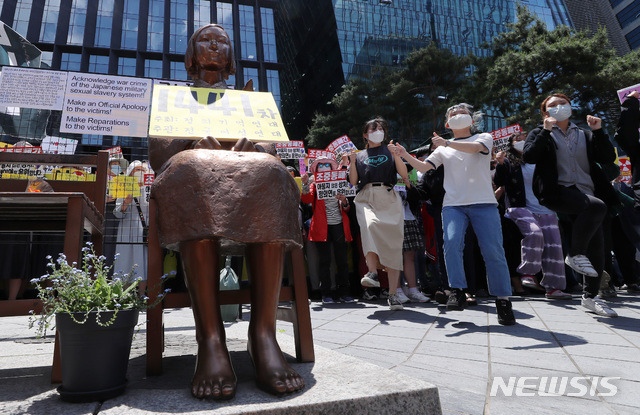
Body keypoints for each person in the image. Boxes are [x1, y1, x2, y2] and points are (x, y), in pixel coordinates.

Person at [148, 24, 304, 399]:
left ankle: (263, 334)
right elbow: (159, 157)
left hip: (248, 176)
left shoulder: (249, 100)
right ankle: (211, 339)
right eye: (206, 39)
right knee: (194, 169)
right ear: (191, 52)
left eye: (222, 41)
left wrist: (256, 146)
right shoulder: (173, 97)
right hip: (195, 176)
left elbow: (272, 149)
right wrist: (190, 142)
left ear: (231, 56)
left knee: (270, 171)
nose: (214, 45)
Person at [390, 103, 516, 326]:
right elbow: (422, 168)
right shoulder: (441, 149)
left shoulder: (483, 137)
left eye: (462, 113)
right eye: (453, 114)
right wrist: (403, 155)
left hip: (484, 204)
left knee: (493, 251)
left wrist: (447, 142)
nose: (458, 115)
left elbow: (476, 149)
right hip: (453, 205)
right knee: (450, 243)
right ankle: (456, 290)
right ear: (448, 123)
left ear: (472, 120)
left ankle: (503, 300)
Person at [523, 93, 619, 317]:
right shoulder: (540, 133)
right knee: (597, 207)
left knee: (597, 246)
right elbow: (529, 156)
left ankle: (591, 297)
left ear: (571, 107)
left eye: (562, 103)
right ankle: (574, 254)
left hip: (586, 192)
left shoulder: (585, 134)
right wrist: (546, 131)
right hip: (559, 192)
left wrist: (598, 130)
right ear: (546, 112)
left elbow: (605, 157)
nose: (559, 107)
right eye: (553, 105)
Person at [494, 132, 572, 299]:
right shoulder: (509, 162)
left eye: (525, 138)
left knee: (554, 247)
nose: (522, 141)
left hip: (546, 209)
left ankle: (553, 288)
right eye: (517, 139)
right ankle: (528, 273)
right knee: (534, 233)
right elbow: (500, 181)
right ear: (511, 144)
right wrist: (500, 164)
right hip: (520, 208)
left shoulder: (542, 161)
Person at [347, 117, 409, 310]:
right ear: (365, 134)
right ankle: (372, 272)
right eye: (373, 128)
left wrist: (397, 155)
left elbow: (404, 175)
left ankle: (393, 294)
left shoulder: (390, 151)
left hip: (389, 197)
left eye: (381, 128)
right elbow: (353, 181)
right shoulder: (360, 154)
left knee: (392, 244)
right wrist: (351, 162)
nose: (378, 130)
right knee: (369, 226)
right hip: (366, 196)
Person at [300, 156, 354, 304]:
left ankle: (344, 292)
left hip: (339, 224)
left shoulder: (339, 181)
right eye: (320, 165)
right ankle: (326, 294)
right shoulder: (314, 184)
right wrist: (305, 184)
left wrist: (344, 201)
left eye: (326, 164)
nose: (324, 167)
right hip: (321, 227)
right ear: (316, 170)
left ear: (332, 167)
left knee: (342, 261)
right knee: (324, 261)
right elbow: (306, 200)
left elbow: (346, 207)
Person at [114, 160, 150, 295]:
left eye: (143, 170)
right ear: (130, 172)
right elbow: (117, 213)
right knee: (124, 259)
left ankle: (142, 294)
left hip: (143, 229)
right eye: (137, 170)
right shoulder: (123, 187)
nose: (140, 172)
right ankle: (123, 294)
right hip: (126, 230)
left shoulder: (148, 188)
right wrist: (125, 202)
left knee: (142, 261)